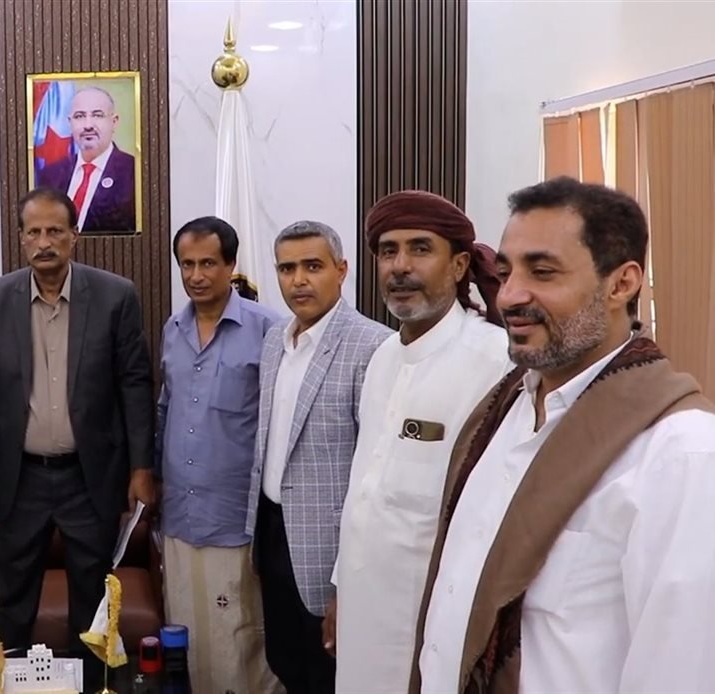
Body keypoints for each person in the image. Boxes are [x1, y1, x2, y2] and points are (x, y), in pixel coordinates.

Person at [412, 178, 715, 694]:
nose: (510, 296)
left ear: (621, 284)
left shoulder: (681, 454)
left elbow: (680, 671)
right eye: (505, 272)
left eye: (543, 272)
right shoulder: (501, 410)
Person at [0, 187, 155, 683]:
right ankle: (10, 688)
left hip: (90, 476)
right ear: (21, 238)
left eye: (55, 231)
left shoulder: (115, 296)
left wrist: (141, 467)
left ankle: (92, 687)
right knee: (13, 598)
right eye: (34, 232)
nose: (44, 242)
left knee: (92, 599)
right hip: (19, 477)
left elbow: (135, 385)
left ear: (75, 235)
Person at [330, 191, 511, 694]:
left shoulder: (496, 361)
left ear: (458, 265)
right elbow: (364, 491)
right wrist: (342, 589)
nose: (401, 266)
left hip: (432, 616)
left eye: (420, 249)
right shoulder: (382, 358)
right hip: (363, 606)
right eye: (388, 251)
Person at [245, 221, 391, 694]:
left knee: (327, 674)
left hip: (332, 548)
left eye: (313, 266)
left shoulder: (373, 347)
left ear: (341, 270)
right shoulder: (275, 339)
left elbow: (376, 476)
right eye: (287, 269)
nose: (298, 280)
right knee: (284, 660)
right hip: (273, 528)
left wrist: (347, 581)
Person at [156, 216, 282, 694]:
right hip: (181, 512)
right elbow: (165, 407)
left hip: (237, 514)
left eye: (208, 263)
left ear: (230, 265)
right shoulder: (173, 329)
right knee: (186, 629)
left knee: (240, 633)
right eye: (187, 264)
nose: (196, 275)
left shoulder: (269, 329)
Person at [36, 87, 137, 233]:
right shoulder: (50, 174)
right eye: (79, 116)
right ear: (70, 123)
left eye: (97, 115)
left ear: (114, 122)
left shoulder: (134, 172)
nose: (88, 125)